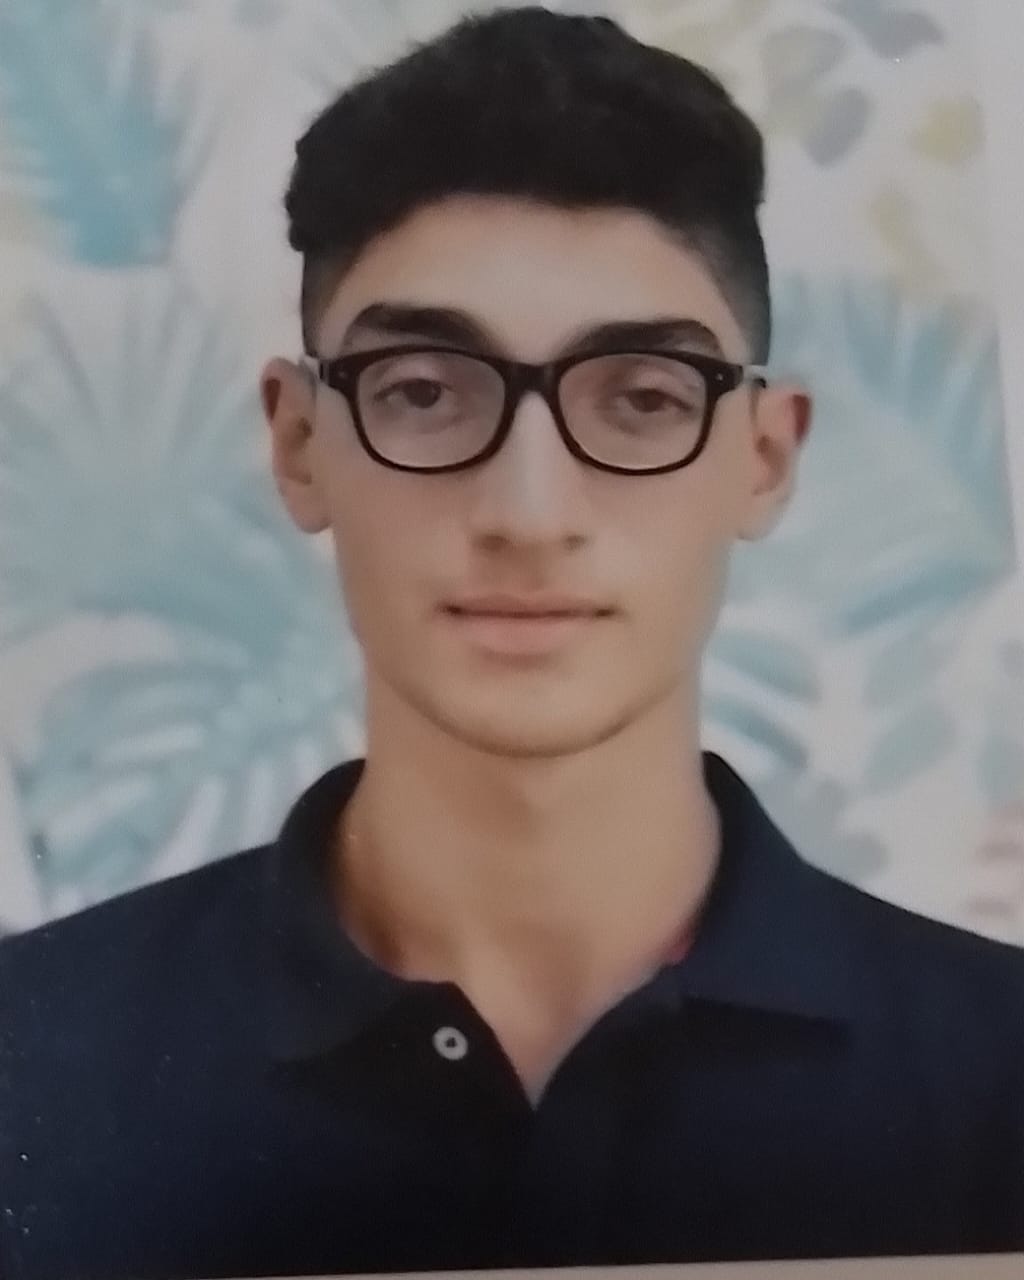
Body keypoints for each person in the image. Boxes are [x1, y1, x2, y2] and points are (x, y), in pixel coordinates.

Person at [2, 7, 1022, 1278]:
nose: (529, 514)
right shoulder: (26, 1063)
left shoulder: (1000, 1076)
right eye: (425, 390)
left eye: (641, 397)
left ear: (762, 458)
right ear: (299, 443)